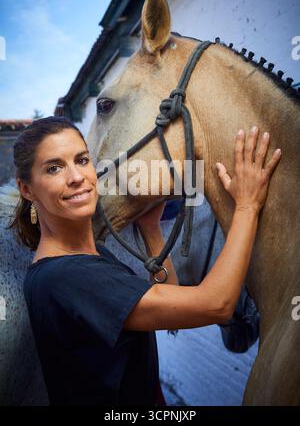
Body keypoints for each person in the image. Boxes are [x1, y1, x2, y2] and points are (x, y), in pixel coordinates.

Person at [9, 116, 281, 406]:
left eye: (82, 159)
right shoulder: (68, 277)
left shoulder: (86, 258)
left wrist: (151, 229)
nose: (77, 176)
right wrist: (247, 206)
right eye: (54, 168)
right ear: (27, 189)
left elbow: (171, 302)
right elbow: (217, 305)